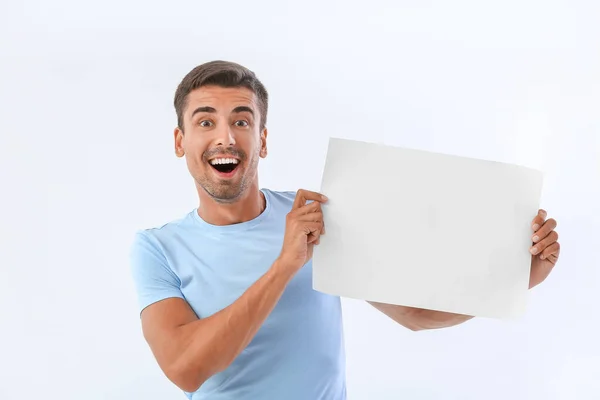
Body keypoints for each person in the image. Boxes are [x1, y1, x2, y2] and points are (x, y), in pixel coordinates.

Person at [129, 60, 561, 400]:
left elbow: (415, 315)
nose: (225, 136)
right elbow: (185, 368)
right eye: (206, 122)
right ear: (179, 141)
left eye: (241, 121)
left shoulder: (318, 217)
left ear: (261, 140)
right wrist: (285, 265)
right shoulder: (158, 248)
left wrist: (519, 278)